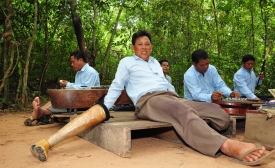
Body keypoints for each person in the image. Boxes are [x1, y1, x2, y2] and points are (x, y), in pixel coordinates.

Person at [30, 30, 272, 166]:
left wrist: (178, 97)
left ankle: (205, 131)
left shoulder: (156, 63)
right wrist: (104, 105)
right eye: (139, 44)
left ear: (151, 47)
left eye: (147, 44)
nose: (144, 47)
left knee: (217, 113)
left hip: (170, 97)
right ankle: (227, 146)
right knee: (183, 113)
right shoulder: (126, 62)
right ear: (134, 48)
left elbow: (166, 85)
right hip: (148, 102)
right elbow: (116, 86)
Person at [24, 50, 100, 126]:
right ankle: (39, 112)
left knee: (61, 102)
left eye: (73, 62)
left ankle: (40, 112)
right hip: (78, 99)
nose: (72, 64)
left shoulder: (91, 72)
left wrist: (68, 84)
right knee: (56, 99)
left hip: (87, 102)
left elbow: (85, 90)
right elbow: (78, 88)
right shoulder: (78, 73)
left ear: (80, 60)